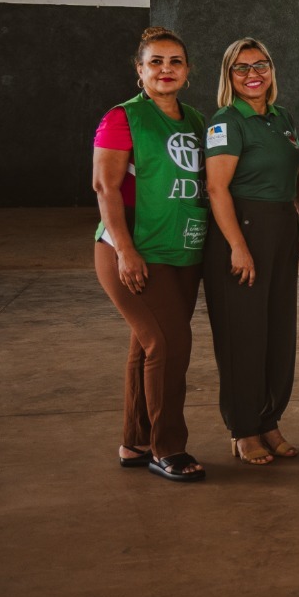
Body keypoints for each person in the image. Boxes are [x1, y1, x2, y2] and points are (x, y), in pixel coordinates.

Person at [91, 26, 209, 483]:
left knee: (147, 345)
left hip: (183, 250)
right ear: (139, 70)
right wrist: (125, 250)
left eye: (175, 61)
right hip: (135, 251)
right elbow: (106, 188)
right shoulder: (123, 118)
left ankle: (136, 441)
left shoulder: (196, 121)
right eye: (155, 62)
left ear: (187, 70)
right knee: (170, 343)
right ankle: (168, 448)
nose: (165, 69)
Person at [204, 37, 299, 466]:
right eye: (242, 67)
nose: (253, 74)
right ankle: (244, 429)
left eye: (260, 65)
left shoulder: (281, 117)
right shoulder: (226, 122)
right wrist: (238, 247)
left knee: (277, 334)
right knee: (243, 337)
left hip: (281, 232)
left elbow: (296, 174)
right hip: (242, 233)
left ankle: (269, 420)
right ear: (229, 75)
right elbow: (217, 188)